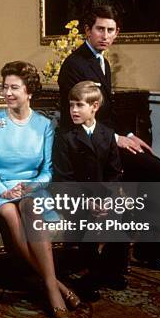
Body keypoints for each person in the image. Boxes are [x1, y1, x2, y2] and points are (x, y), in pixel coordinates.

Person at [57, 5, 160, 274]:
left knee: (156, 169)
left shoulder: (101, 61)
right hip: (85, 146)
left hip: (105, 138)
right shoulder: (74, 65)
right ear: (87, 31)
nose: (105, 35)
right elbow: (76, 117)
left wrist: (127, 134)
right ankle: (149, 249)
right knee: (156, 172)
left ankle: (149, 241)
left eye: (110, 30)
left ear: (117, 33)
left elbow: (107, 110)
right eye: (100, 29)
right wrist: (115, 139)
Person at [0, 61, 80, 318]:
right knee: (11, 215)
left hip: (32, 186)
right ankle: (56, 287)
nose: (7, 93)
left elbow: (48, 170)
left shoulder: (44, 125)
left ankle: (50, 288)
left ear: (29, 92)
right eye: (5, 87)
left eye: (14, 88)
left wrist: (31, 187)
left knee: (31, 208)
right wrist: (3, 190)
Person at [52, 80, 128, 302]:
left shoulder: (106, 134)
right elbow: (63, 178)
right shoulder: (65, 137)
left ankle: (111, 271)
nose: (73, 110)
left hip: (101, 195)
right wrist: (87, 203)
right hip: (72, 196)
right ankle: (90, 276)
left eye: (79, 105)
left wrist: (110, 200)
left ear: (94, 107)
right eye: (71, 105)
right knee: (88, 218)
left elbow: (114, 172)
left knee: (120, 213)